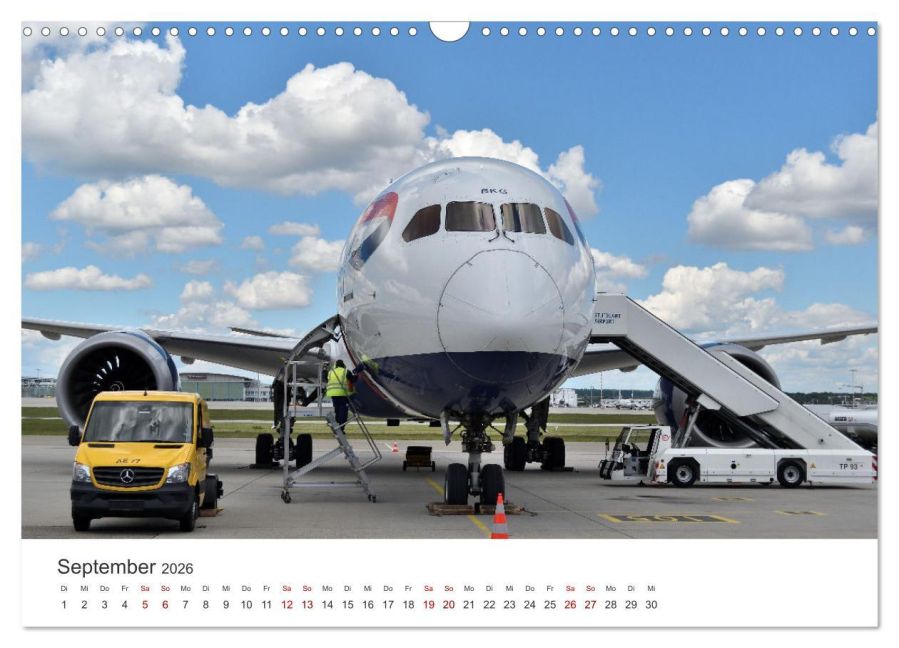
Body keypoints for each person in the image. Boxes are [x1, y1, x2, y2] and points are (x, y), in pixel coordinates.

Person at [326, 360, 353, 429]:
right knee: (343, 411)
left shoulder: (330, 372)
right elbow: (351, 380)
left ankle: (337, 423)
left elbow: (328, 380)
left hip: (333, 394)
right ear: (343, 365)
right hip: (342, 394)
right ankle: (341, 427)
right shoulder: (346, 371)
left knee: (337, 410)